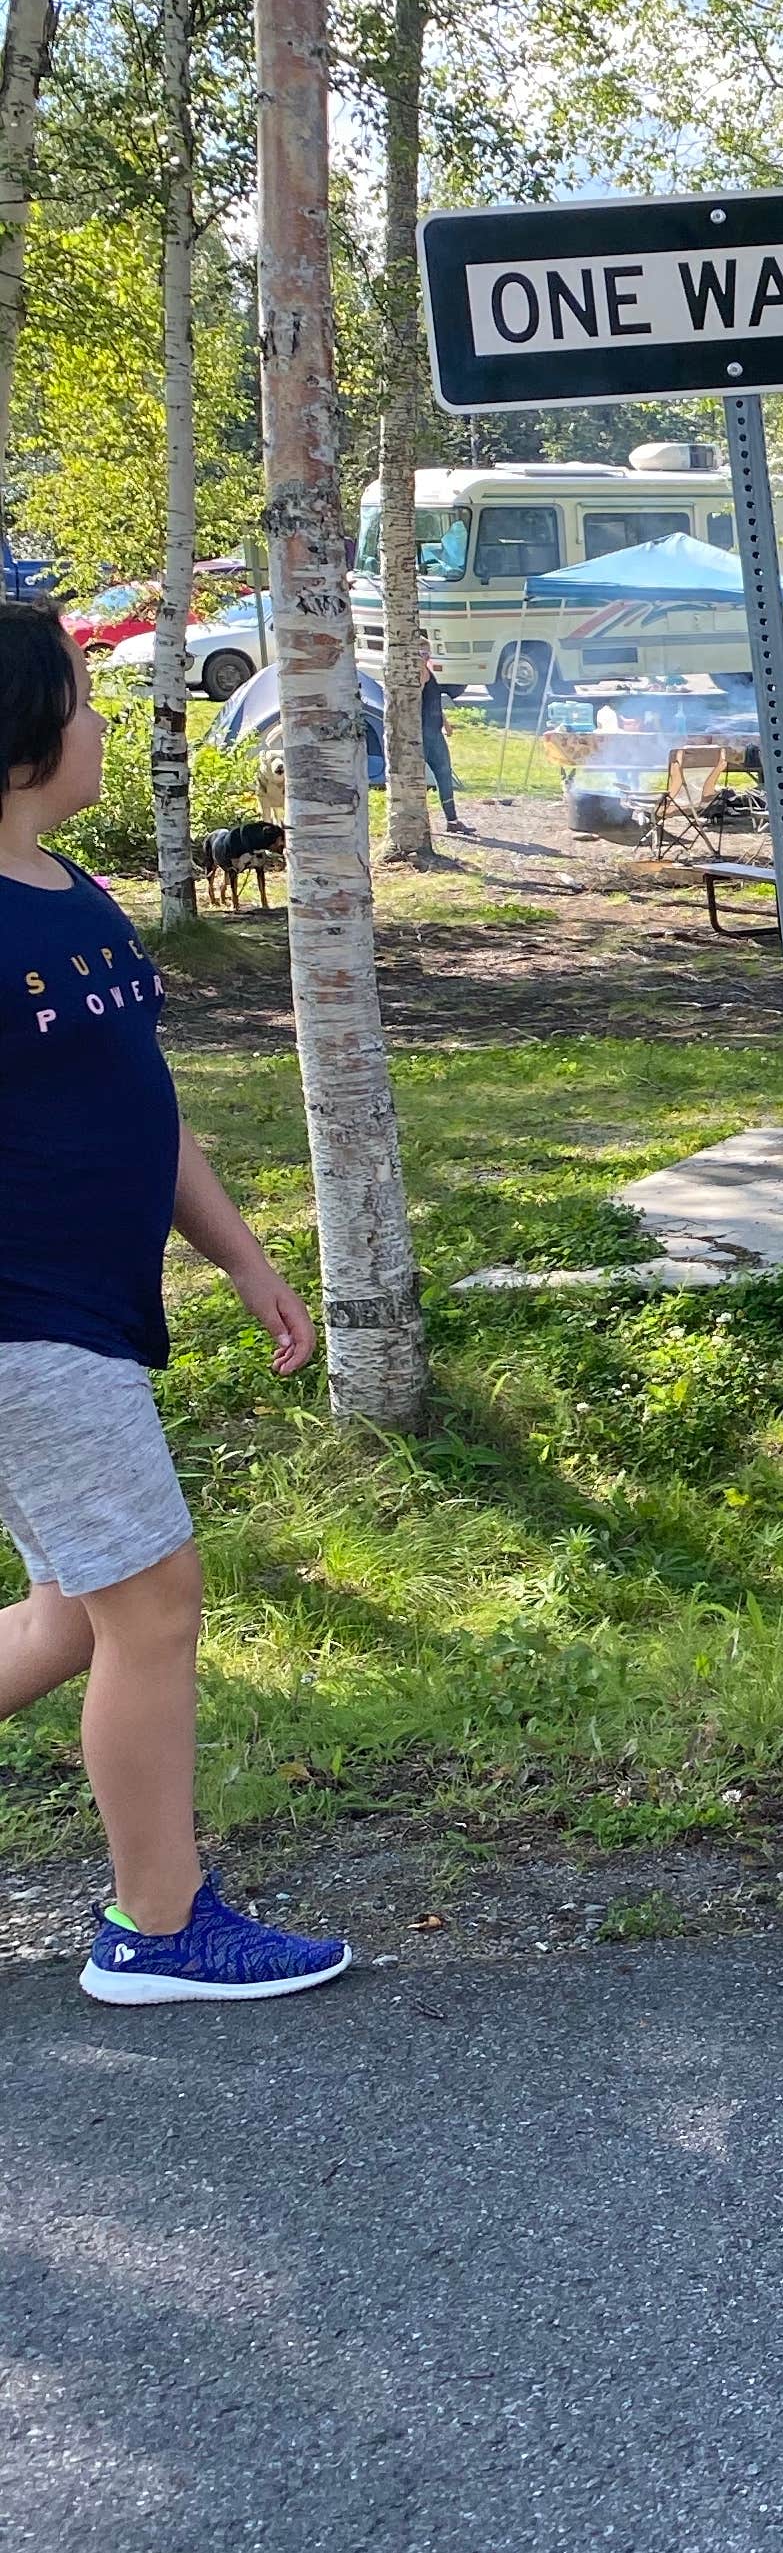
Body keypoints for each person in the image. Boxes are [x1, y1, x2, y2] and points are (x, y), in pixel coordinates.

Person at [0, 607, 347, 2004]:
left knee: (78, 1613)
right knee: (156, 1606)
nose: (98, 727)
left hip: (86, 1307)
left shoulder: (70, 895)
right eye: (81, 703)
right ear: (19, 734)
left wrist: (243, 1257)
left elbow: (143, 1112)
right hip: (25, 1322)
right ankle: (157, 1927)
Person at [419, 645, 467, 831]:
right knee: (421, 777)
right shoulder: (417, 674)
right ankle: (419, 821)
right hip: (423, 733)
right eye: (421, 653)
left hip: (435, 731)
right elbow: (417, 697)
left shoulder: (428, 672)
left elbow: (433, 700)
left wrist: (445, 723)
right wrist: (421, 672)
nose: (425, 657)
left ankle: (452, 821)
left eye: (427, 654)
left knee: (444, 772)